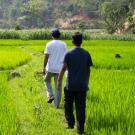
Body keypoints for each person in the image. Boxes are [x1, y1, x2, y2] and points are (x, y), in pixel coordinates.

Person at [57, 32, 93, 134]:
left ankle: (70, 124)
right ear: (81, 41)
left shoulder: (68, 53)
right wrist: (86, 82)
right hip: (82, 86)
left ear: (72, 41)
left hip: (70, 85)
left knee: (68, 104)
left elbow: (63, 69)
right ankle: (80, 129)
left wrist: (59, 80)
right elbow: (88, 70)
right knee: (81, 106)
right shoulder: (86, 53)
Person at [43, 28, 67, 108]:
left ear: (52, 35)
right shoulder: (63, 44)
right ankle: (56, 105)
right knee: (58, 86)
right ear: (59, 35)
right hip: (60, 69)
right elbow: (66, 57)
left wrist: (43, 68)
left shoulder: (49, 44)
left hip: (50, 68)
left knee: (46, 80)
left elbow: (46, 57)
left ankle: (50, 95)